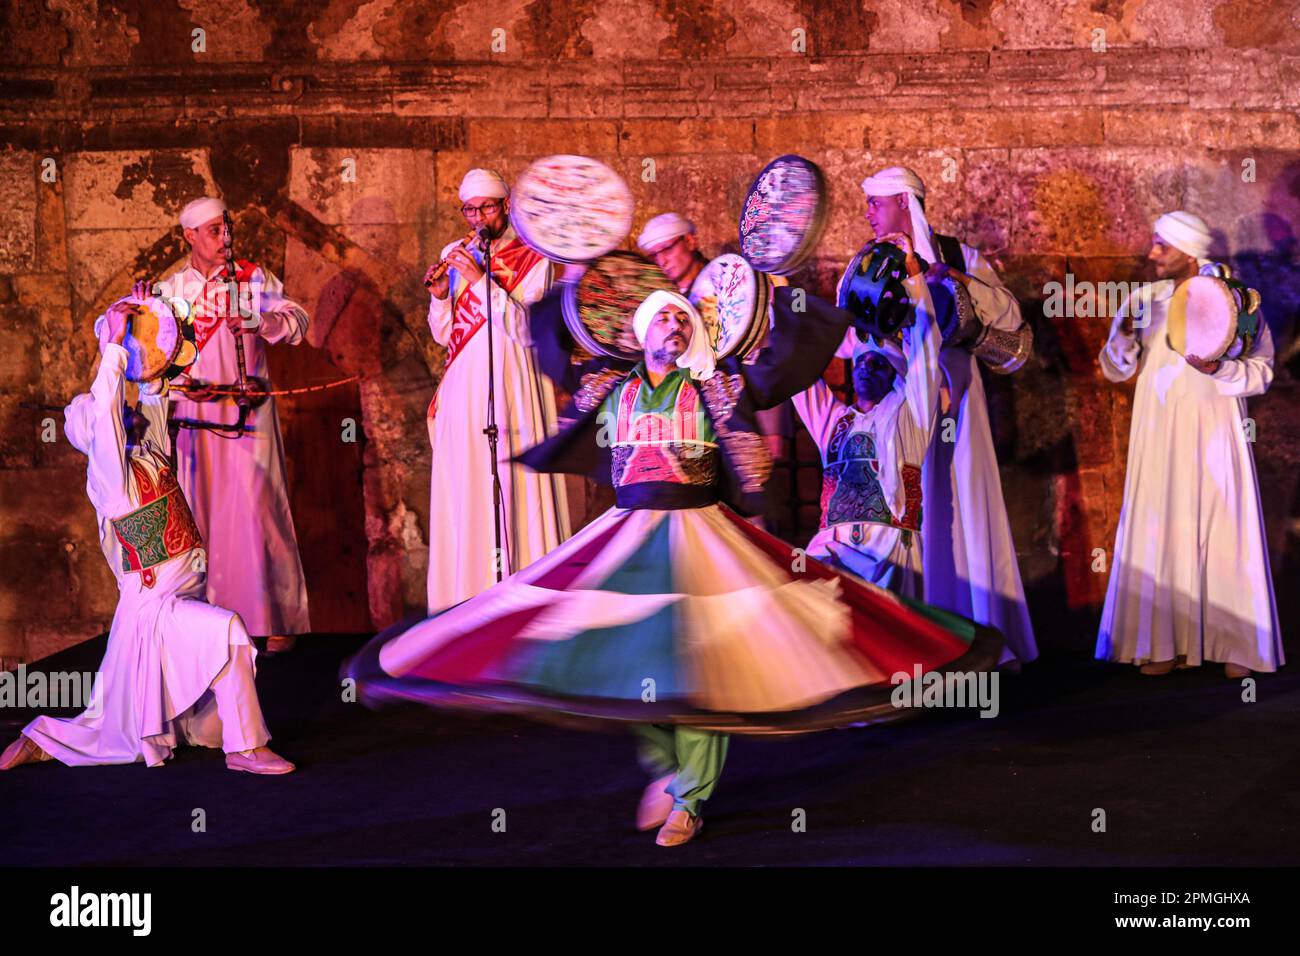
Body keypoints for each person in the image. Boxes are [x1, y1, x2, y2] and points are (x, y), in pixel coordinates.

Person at [346, 280, 1001, 847]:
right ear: (639, 331)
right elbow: (544, 340)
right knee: (633, 664)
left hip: (700, 534)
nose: (675, 323)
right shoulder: (611, 386)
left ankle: (690, 799)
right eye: (664, 315)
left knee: (700, 666)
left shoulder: (713, 386)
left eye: (683, 319)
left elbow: (787, 364)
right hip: (629, 535)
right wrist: (571, 275)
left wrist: (779, 292)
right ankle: (667, 767)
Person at [1, 286, 293, 774]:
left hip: (183, 597)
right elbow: (107, 414)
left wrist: (151, 329)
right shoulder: (109, 479)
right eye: (118, 415)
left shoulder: (150, 455)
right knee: (229, 632)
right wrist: (114, 346)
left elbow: (154, 399)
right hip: (155, 612)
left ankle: (205, 732)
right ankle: (245, 750)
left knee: (191, 701)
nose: (127, 412)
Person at [844, 166, 1037, 667]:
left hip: (959, 398)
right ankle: (922, 647)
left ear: (905, 203)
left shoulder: (956, 256)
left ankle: (984, 645)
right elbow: (855, 333)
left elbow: (1011, 320)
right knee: (915, 508)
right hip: (903, 403)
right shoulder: (869, 262)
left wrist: (950, 280)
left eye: (875, 203)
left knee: (966, 505)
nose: (867, 213)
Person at [111, 196, 311, 654]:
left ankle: (272, 617)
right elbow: (144, 347)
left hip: (247, 416)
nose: (224, 239)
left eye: (226, 229)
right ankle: (206, 619)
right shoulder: (170, 288)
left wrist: (260, 320)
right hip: (192, 419)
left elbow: (297, 322)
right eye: (214, 231)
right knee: (200, 518)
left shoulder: (252, 277)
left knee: (258, 515)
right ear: (190, 237)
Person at [1096, 211, 1283, 678]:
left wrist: (1219, 371)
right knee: (1162, 523)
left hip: (1216, 425)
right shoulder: (1144, 300)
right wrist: (1121, 341)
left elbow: (1262, 371)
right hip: (1159, 430)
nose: (1152, 253)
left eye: (1162, 245)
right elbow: (1115, 368)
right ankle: (1162, 641)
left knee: (1224, 525)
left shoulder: (1237, 299)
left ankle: (1237, 643)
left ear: (1189, 250)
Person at [424, 168, 569, 613]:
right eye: (470, 209)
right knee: (469, 486)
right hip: (464, 389)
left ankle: (524, 602)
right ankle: (466, 600)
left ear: (505, 207)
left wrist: (480, 280)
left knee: (513, 483)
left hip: (515, 386)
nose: (478, 218)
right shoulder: (456, 252)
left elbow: (526, 329)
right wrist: (440, 297)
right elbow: (444, 333)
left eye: (487, 207)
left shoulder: (535, 257)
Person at [793, 232, 940, 597]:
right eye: (861, 362)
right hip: (832, 549)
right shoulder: (834, 421)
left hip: (889, 552)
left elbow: (927, 355)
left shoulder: (910, 417)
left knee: (894, 648)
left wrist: (912, 274)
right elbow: (795, 370)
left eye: (878, 364)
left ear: (894, 375)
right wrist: (778, 278)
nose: (866, 369)